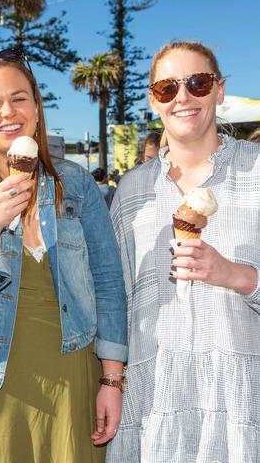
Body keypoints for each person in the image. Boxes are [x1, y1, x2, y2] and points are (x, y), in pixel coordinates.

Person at [0, 47, 127, 462]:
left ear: (37, 109)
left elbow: (109, 283)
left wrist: (112, 381)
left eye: (19, 98)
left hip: (72, 381)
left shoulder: (75, 183)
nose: (9, 111)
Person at [107, 41, 260, 462]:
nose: (183, 98)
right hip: (154, 407)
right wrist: (111, 383)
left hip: (240, 407)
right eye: (167, 89)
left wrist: (237, 276)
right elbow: (116, 302)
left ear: (220, 90)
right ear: (153, 101)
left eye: (197, 82)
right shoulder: (132, 190)